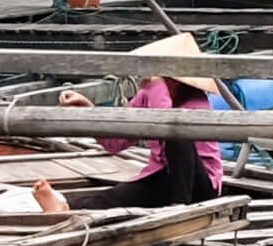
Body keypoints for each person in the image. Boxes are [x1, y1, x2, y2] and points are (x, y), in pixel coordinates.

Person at [92, 29, 232, 208]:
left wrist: (158, 86)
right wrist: (87, 107)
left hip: (198, 185)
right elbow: (115, 142)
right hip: (162, 177)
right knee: (112, 197)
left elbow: (166, 122)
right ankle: (62, 208)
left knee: (177, 132)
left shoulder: (197, 102)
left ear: (173, 80)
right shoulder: (147, 96)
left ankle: (179, 207)